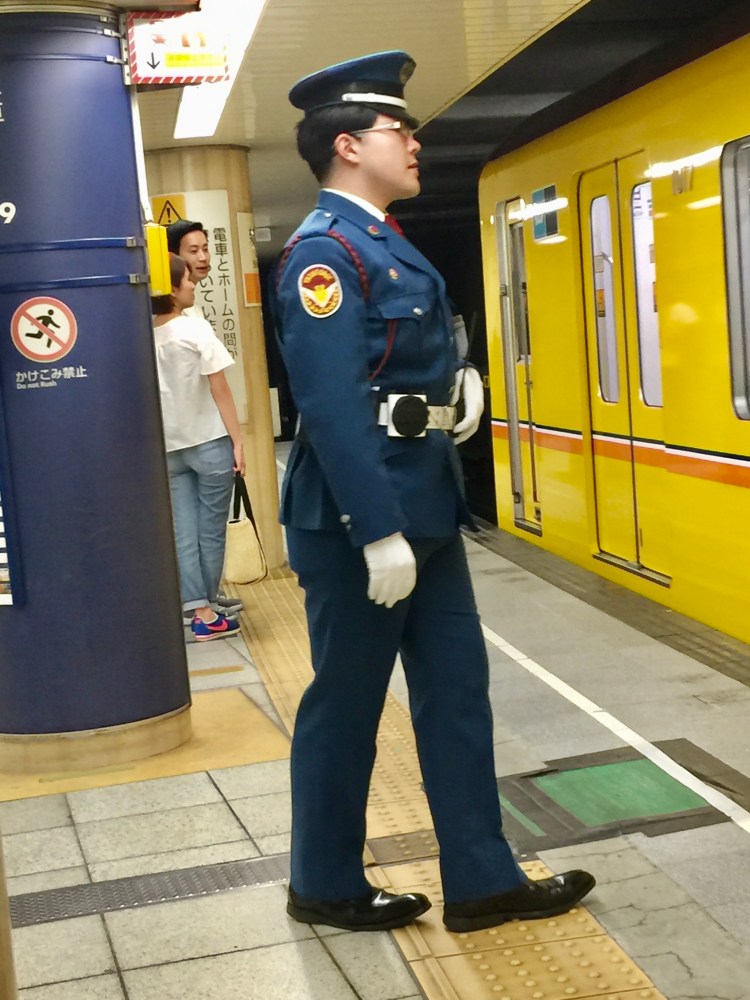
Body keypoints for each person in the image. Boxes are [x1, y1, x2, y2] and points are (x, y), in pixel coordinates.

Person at [272, 51, 596, 933]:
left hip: (427, 505)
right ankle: (323, 882)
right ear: (348, 145)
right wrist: (375, 529)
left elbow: (394, 367)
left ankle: (484, 880)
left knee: (457, 694)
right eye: (399, 129)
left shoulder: (383, 238)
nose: (415, 143)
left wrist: (453, 397)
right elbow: (331, 405)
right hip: (362, 522)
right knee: (347, 703)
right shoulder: (325, 253)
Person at [151, 253, 245, 642]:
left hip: (168, 449)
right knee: (211, 532)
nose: (193, 285)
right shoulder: (194, 329)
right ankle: (207, 610)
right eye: (187, 280)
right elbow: (219, 389)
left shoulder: (143, 335)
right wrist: (238, 441)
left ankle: (199, 608)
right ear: (173, 289)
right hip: (208, 443)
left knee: (184, 534)